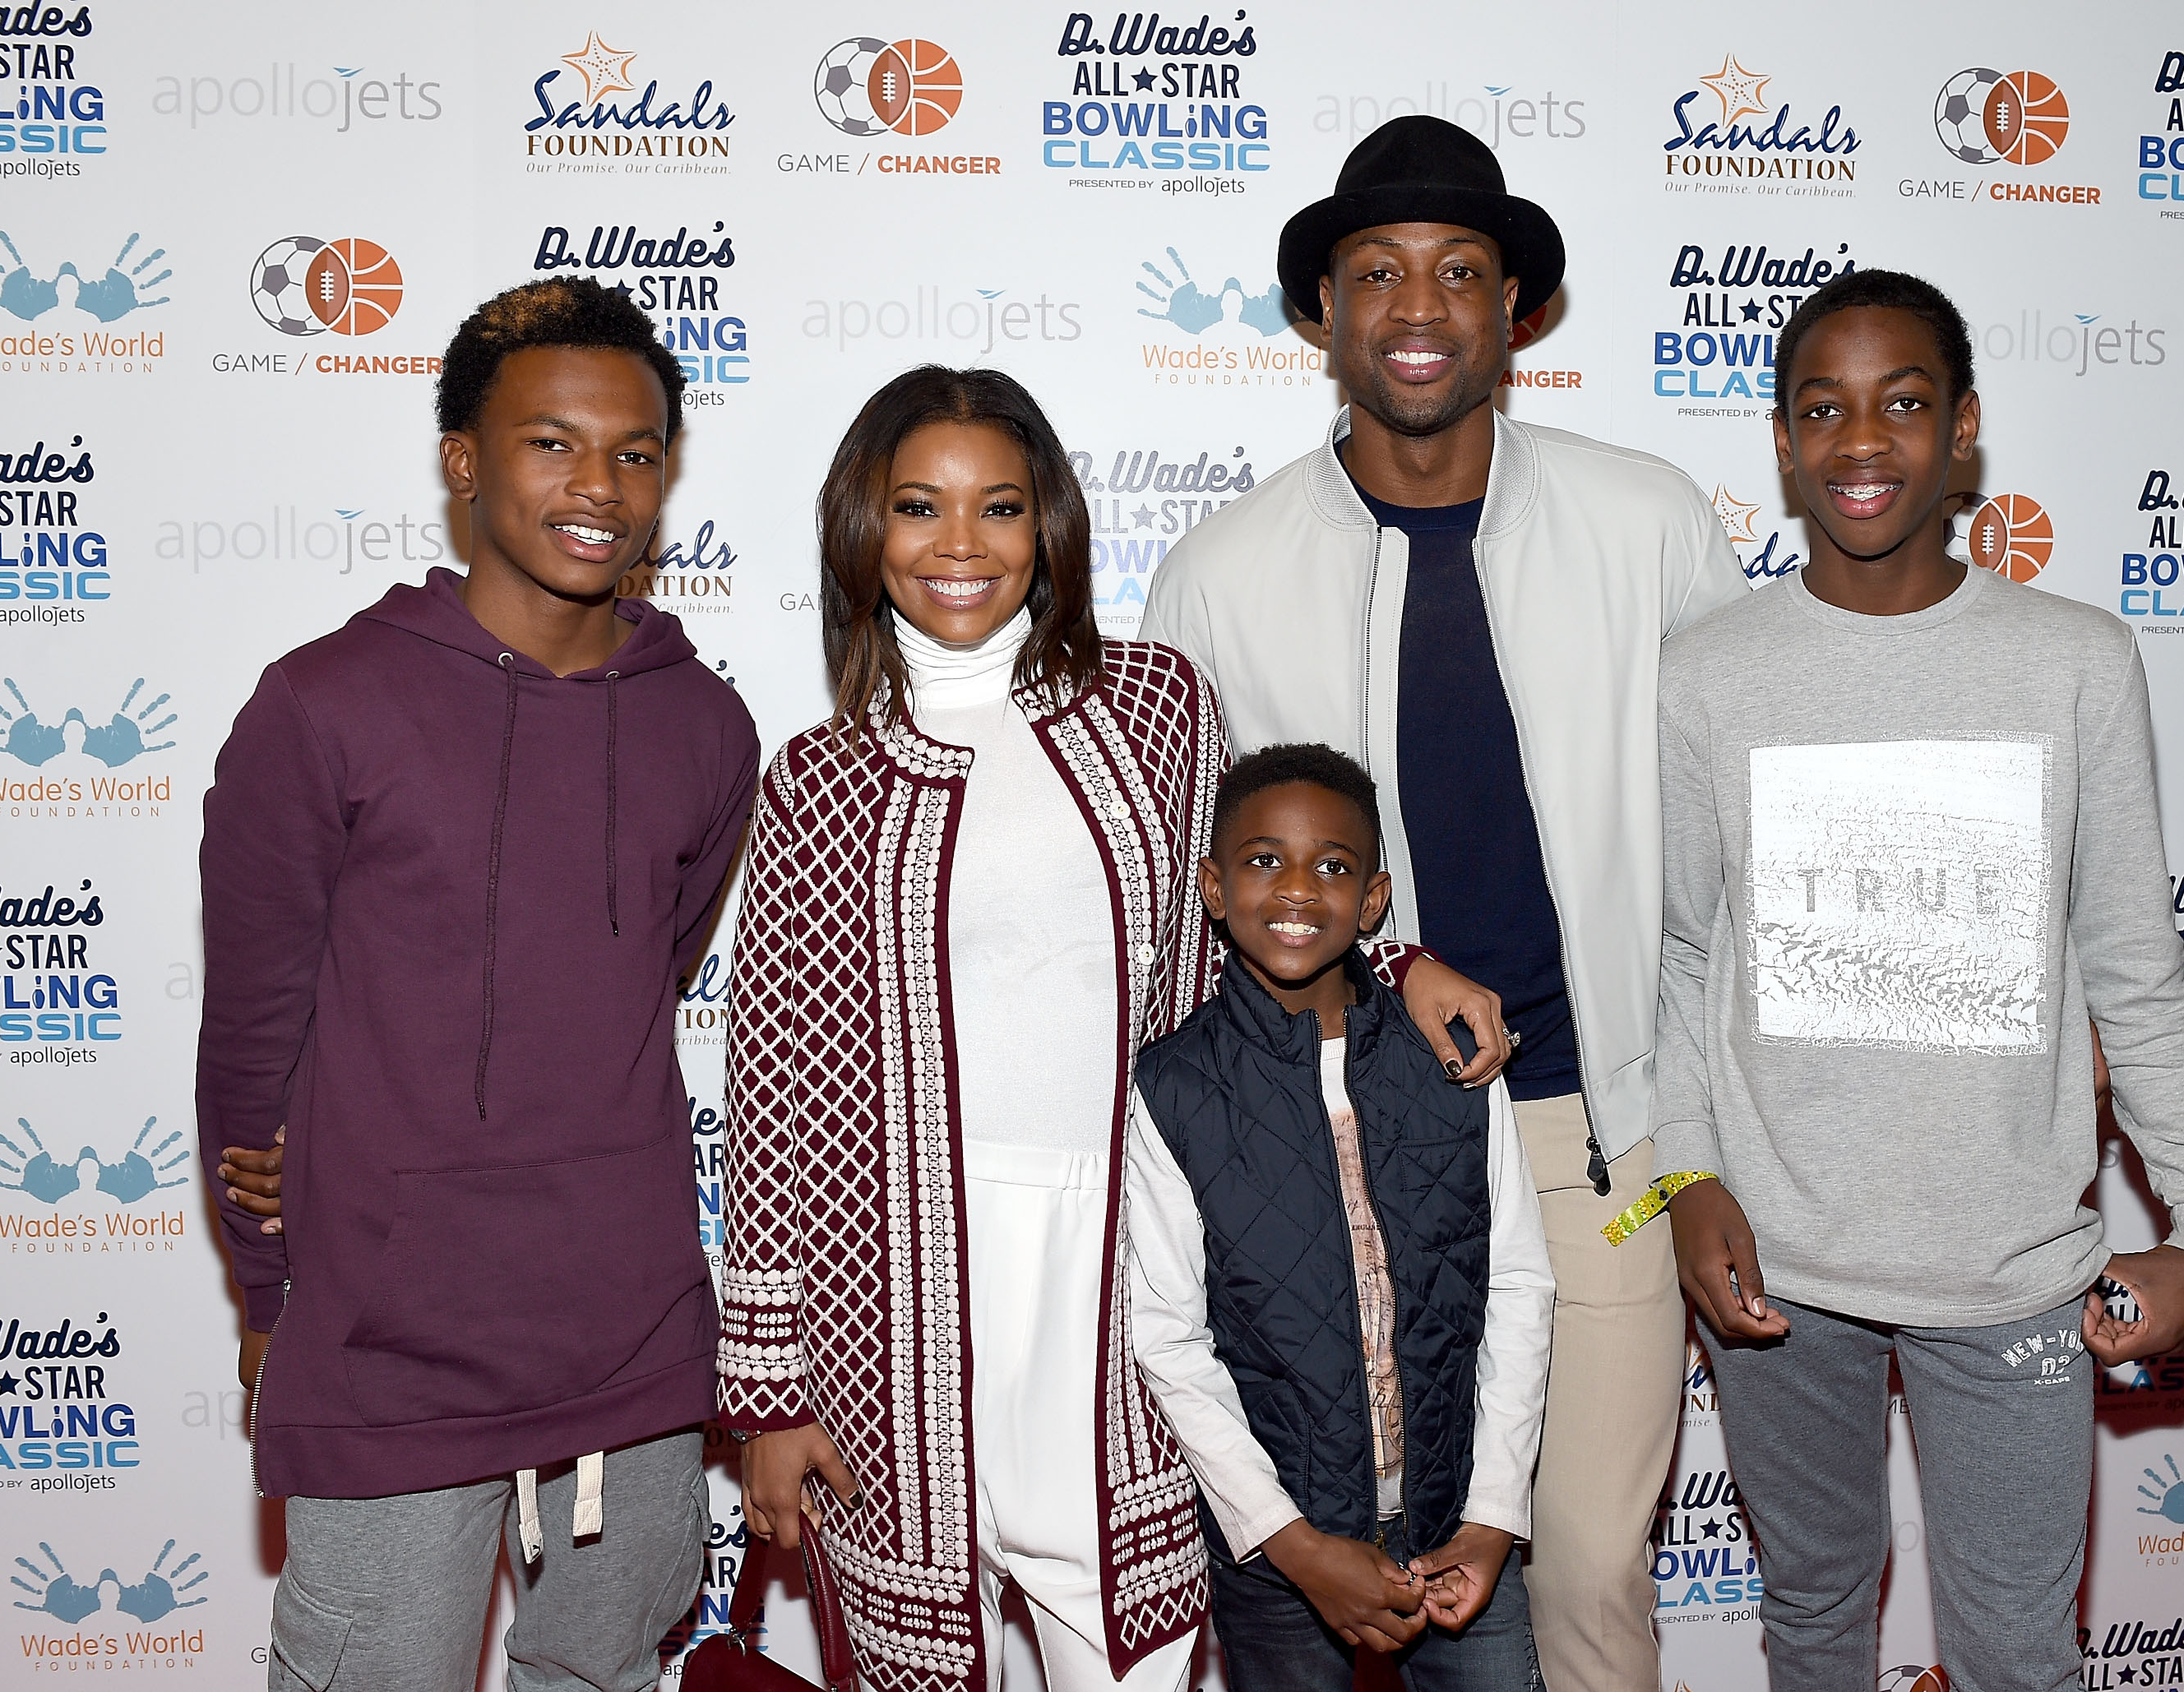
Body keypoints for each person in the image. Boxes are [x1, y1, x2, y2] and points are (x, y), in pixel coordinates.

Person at [714, 368, 1508, 1692]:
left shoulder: (1156, 707)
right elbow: (776, 1105)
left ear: (1052, 528)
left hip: (1127, 1276)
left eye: (1000, 506)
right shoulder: (818, 773)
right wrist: (771, 1394)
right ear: (864, 526)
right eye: (919, 506)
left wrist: (1403, 958)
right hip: (895, 1314)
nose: (960, 544)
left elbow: (1273, 893)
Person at [1139, 113, 1747, 1692]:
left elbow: (1741, 843)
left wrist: (1706, 1130)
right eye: (1379, 273)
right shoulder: (1221, 571)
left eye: (1461, 271)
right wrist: (1393, 957)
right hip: (1339, 1146)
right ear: (1322, 312)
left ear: (1517, 309)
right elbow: (1206, 882)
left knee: (1590, 1571)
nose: (1420, 306)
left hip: (1587, 1128)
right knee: (1351, 1576)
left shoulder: (1652, 524)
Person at [1653, 270, 2184, 1692]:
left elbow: (2134, 965)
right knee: (1809, 1617)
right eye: (1825, 408)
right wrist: (1690, 1176)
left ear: (1964, 429)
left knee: (2015, 1653)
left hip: (2014, 1273)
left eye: (1905, 402)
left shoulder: (2078, 661)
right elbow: (1685, 952)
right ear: (1786, 443)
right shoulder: (1705, 672)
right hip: (1780, 1276)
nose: (1865, 439)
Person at [197, 275, 759, 1691]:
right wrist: (272, 1291)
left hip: (630, 1335)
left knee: (606, 1673)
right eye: (551, 442)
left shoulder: (704, 721)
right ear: (463, 461)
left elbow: (647, 974)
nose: (600, 485)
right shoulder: (322, 706)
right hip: (389, 1337)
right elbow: (254, 1038)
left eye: (636, 452)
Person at [1127, 743, 1554, 1692]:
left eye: (1331, 866)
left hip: (1456, 1525)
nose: (1296, 889)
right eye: (1262, 860)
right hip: (1282, 1552)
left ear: (1373, 901)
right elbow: (1168, 1336)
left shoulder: (1450, 1056)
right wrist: (1293, 1544)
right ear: (1212, 885)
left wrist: (1492, 1514)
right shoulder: (1171, 1088)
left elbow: (1518, 1283)